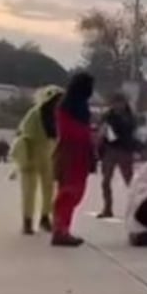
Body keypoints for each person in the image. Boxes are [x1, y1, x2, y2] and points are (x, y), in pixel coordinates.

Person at [11, 86, 63, 235]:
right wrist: (22, 157)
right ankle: (27, 221)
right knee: (29, 190)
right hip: (31, 154)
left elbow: (57, 137)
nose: (57, 103)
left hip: (49, 154)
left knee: (49, 189)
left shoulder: (57, 116)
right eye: (55, 99)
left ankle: (45, 217)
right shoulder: (34, 114)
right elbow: (23, 135)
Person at [50, 72, 95, 248]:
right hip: (71, 153)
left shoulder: (79, 106)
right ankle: (60, 231)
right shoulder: (67, 107)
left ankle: (63, 229)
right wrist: (88, 136)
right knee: (69, 193)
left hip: (79, 153)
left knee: (74, 193)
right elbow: (69, 131)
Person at [97, 92, 139, 219]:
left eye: (120, 102)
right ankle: (107, 208)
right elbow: (102, 131)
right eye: (115, 103)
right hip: (110, 149)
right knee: (105, 181)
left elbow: (130, 131)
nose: (117, 105)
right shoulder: (107, 116)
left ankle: (136, 208)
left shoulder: (129, 116)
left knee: (129, 181)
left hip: (124, 150)